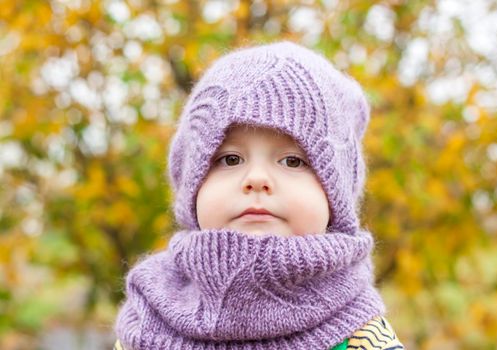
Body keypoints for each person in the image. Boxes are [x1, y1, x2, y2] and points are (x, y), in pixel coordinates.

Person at [113, 40, 404, 349]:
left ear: (336, 198)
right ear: (191, 185)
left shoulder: (360, 332)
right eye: (230, 159)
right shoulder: (149, 322)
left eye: (293, 161)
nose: (256, 179)